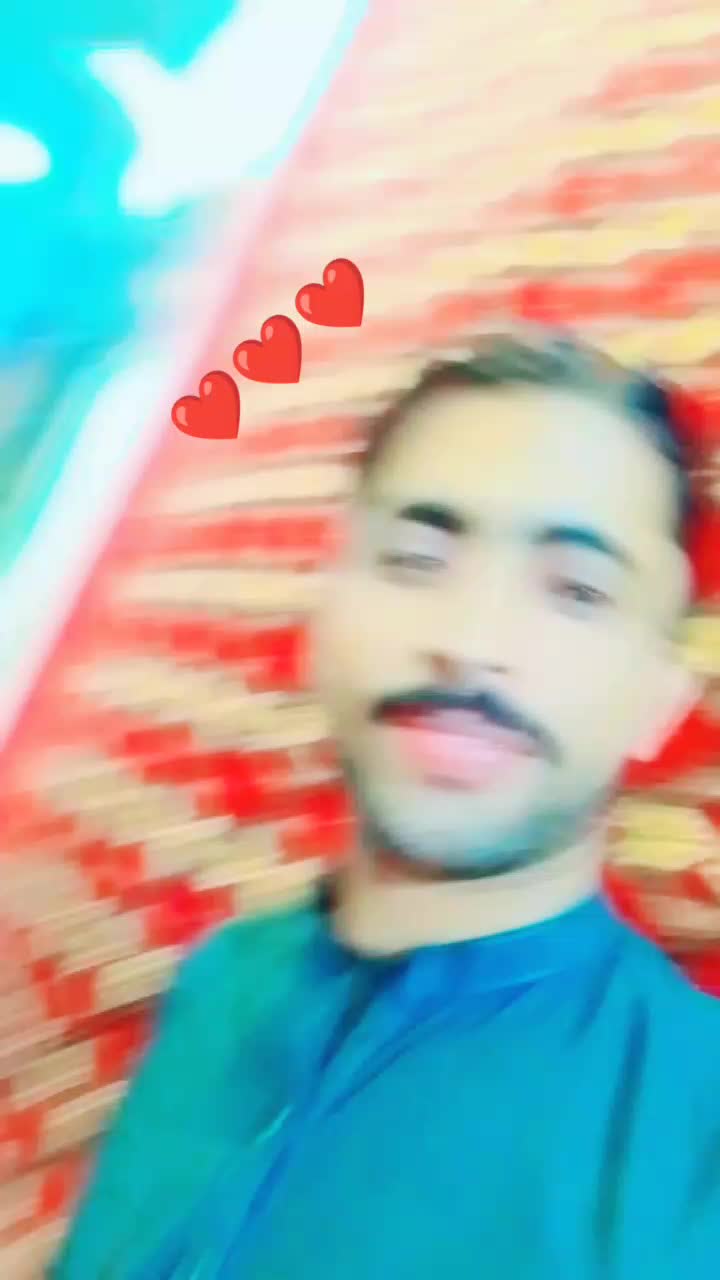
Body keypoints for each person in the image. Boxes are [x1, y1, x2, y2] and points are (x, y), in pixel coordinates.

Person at [52, 334, 720, 1279]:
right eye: (415, 560)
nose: (471, 641)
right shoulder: (223, 979)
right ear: (324, 614)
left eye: (576, 591)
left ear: (660, 702)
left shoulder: (694, 1138)